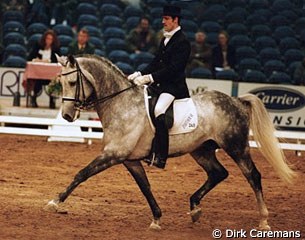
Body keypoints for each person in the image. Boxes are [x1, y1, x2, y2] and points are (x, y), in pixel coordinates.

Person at [127, 5, 191, 169]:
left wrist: (150, 78)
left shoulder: (182, 42)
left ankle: (161, 156)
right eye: (163, 19)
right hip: (160, 84)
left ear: (175, 20)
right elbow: (156, 63)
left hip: (173, 87)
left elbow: (174, 69)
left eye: (166, 19)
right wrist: (139, 73)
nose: (163, 22)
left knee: (159, 110)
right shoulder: (165, 39)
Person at [27, 29, 60, 108]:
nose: (49, 41)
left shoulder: (56, 48)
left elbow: (58, 60)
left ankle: (52, 100)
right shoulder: (38, 46)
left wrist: (49, 61)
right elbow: (30, 57)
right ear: (44, 39)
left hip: (51, 75)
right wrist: (36, 59)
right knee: (36, 80)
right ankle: (33, 99)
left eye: (51, 39)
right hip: (38, 73)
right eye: (47, 38)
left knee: (55, 81)